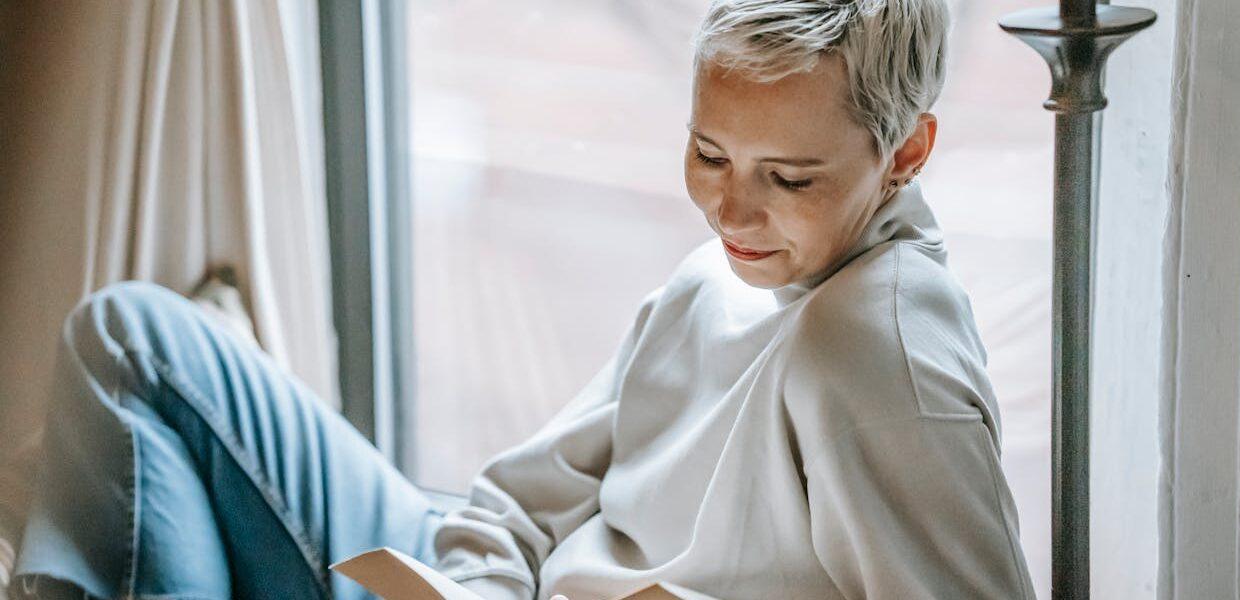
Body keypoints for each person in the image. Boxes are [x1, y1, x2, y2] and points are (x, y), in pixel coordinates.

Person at [6, 0, 1036, 598]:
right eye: (707, 151)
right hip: (480, 580)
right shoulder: (715, 278)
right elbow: (514, 500)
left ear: (904, 154)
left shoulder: (875, 351)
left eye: (790, 177)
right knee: (131, 335)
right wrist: (474, 588)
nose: (732, 206)